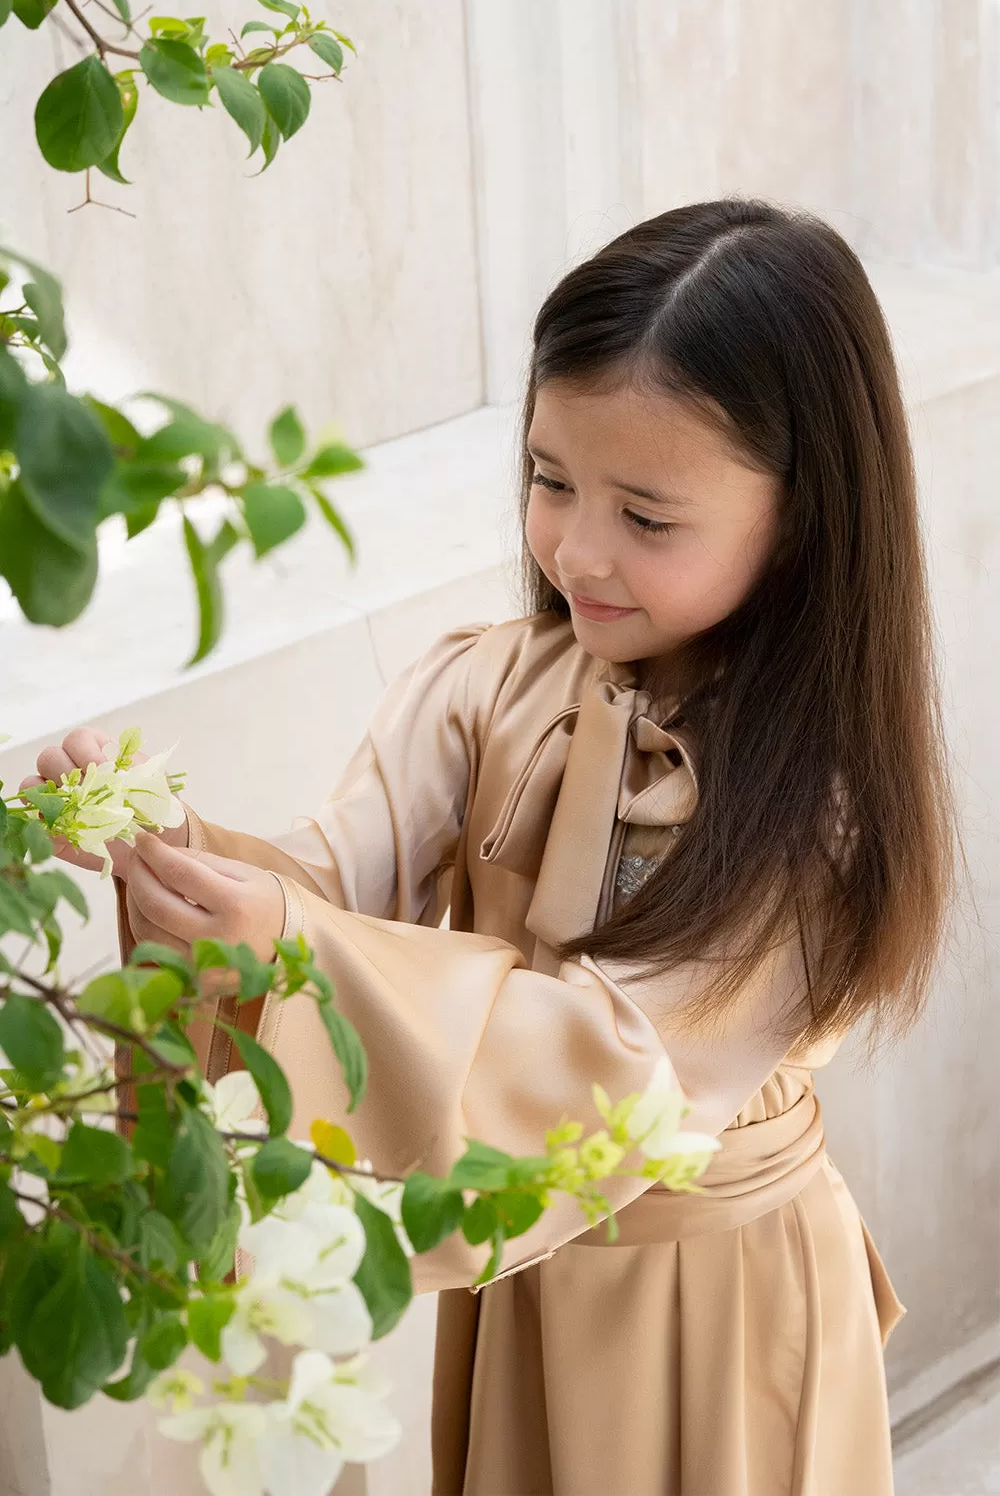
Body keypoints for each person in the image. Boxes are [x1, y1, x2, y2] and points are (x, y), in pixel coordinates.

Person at [28, 198, 956, 1495]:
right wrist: (180, 855)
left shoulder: (817, 814)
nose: (576, 549)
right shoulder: (487, 686)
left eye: (647, 514)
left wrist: (293, 944)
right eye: (548, 478)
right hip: (524, 1273)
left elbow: (612, 1061)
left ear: (802, 513)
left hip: (720, 1293)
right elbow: (330, 882)